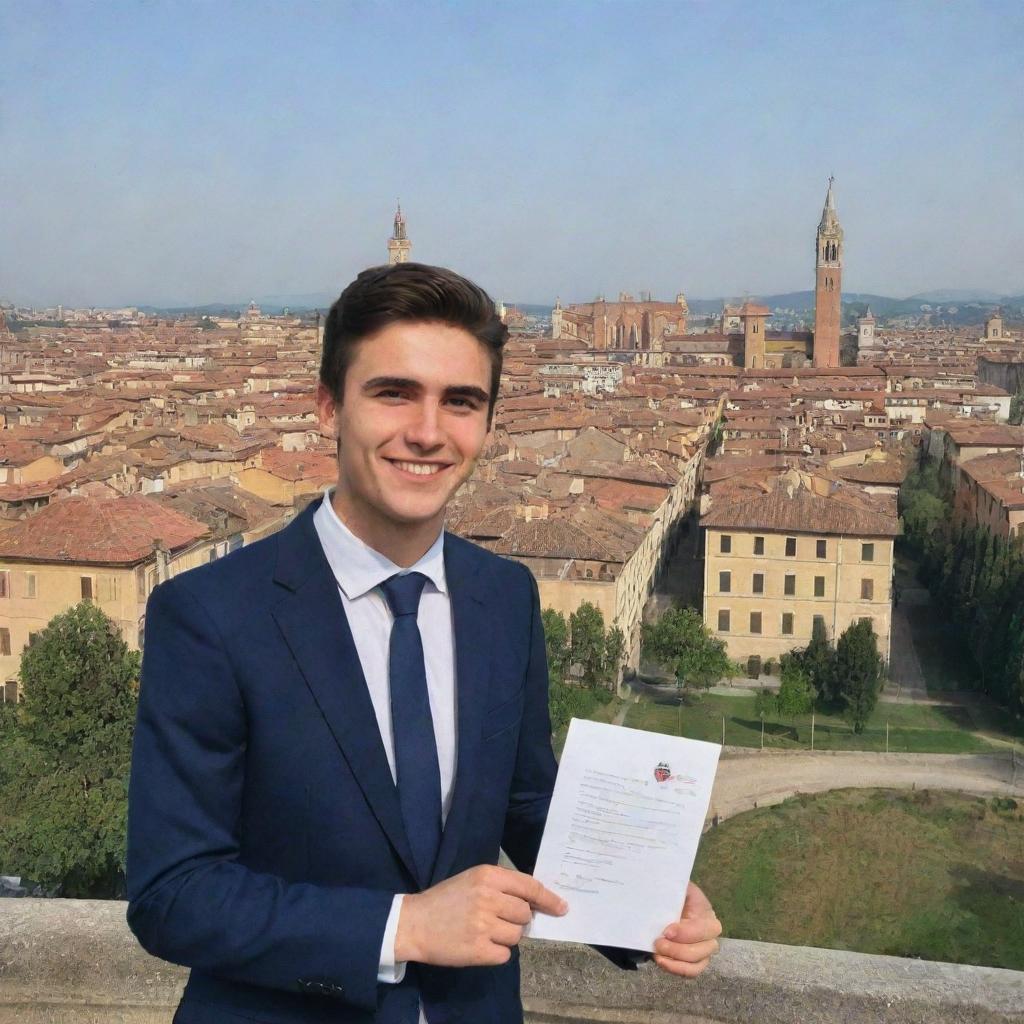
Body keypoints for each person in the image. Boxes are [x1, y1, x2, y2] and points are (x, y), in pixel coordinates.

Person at [126, 262, 722, 1024]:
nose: (429, 432)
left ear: (487, 424)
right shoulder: (208, 614)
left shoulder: (505, 597)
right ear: (327, 406)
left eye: (462, 402)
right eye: (394, 392)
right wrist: (402, 927)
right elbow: (173, 894)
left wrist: (646, 901)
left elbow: (525, 801)